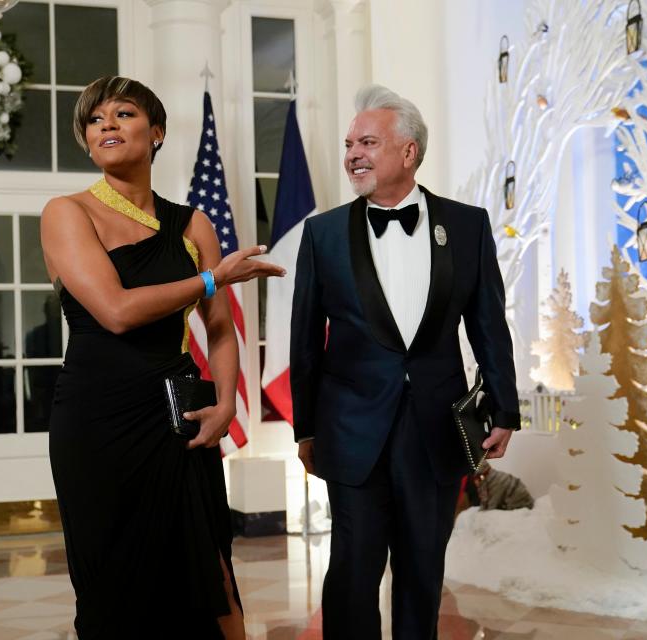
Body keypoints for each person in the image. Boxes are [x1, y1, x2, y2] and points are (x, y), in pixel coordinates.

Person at [41, 76, 284, 639]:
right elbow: (116, 311)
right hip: (96, 425)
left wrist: (225, 403)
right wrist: (209, 278)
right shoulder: (67, 213)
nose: (107, 124)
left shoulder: (193, 224)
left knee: (211, 572)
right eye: (95, 119)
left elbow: (220, 331)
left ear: (157, 133)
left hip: (179, 421)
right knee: (115, 586)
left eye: (123, 113)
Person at [290, 85, 520, 639]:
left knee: (423, 571)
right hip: (350, 432)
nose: (352, 155)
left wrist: (504, 409)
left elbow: (488, 324)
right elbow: (303, 340)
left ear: (409, 152)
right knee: (351, 571)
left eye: (367, 141)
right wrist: (306, 428)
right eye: (349, 144)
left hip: (435, 431)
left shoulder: (466, 225)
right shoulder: (322, 234)